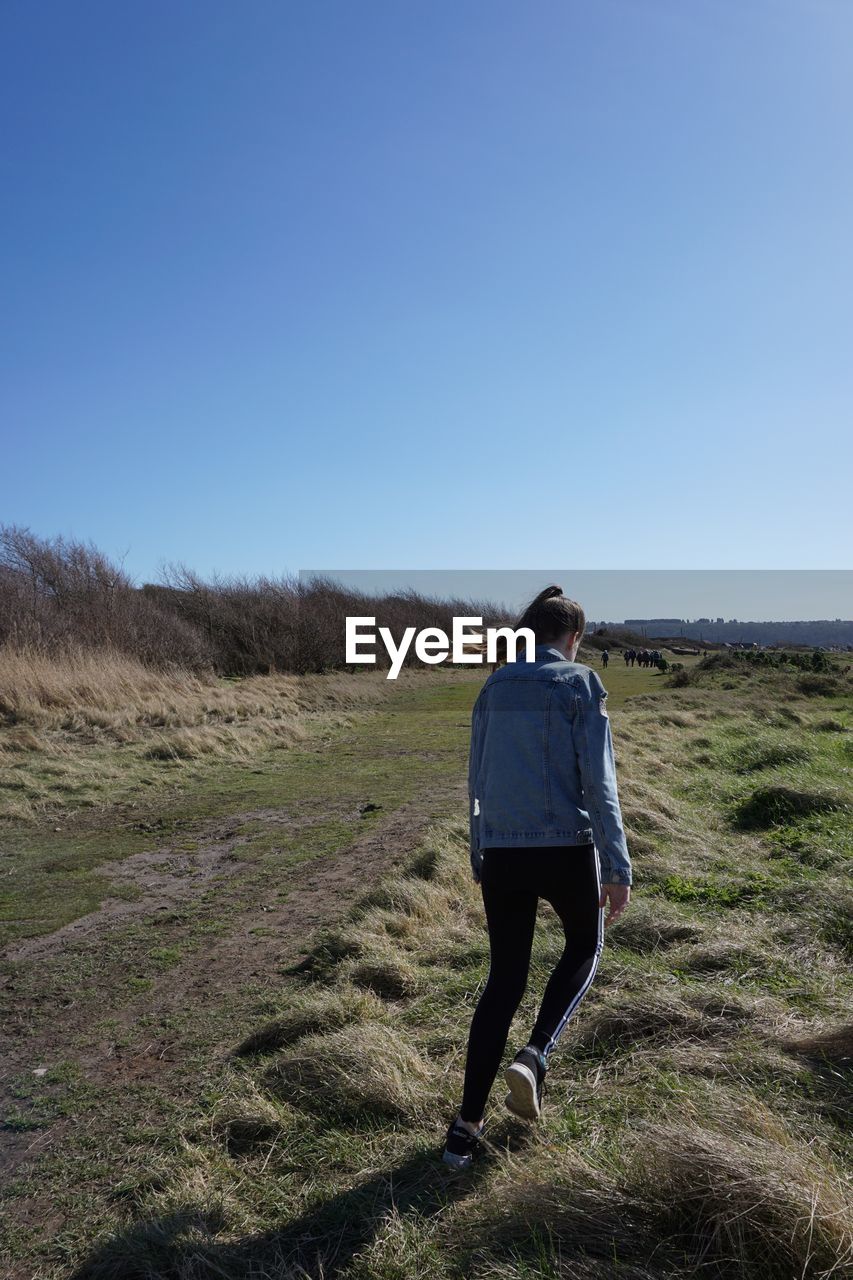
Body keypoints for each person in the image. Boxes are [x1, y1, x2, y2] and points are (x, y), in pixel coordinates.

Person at [442, 585, 633, 1170]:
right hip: (565, 847)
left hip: (502, 852)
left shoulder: (493, 687)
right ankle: (536, 1053)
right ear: (572, 638)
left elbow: (475, 780)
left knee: (503, 981)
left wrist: (480, 853)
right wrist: (618, 863)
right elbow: (599, 785)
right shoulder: (579, 683)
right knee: (586, 941)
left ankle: (463, 1134)